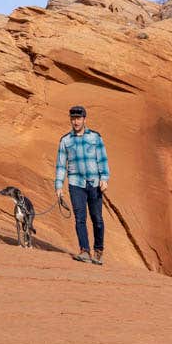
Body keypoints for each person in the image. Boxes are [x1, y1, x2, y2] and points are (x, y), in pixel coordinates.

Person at [55, 104, 109, 264]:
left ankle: (98, 250)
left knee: (97, 218)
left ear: (85, 119)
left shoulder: (95, 137)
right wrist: (58, 186)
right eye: (73, 119)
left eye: (78, 118)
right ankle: (84, 251)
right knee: (80, 218)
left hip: (94, 183)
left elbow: (102, 158)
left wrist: (104, 178)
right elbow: (60, 165)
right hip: (75, 184)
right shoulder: (65, 140)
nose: (76, 122)